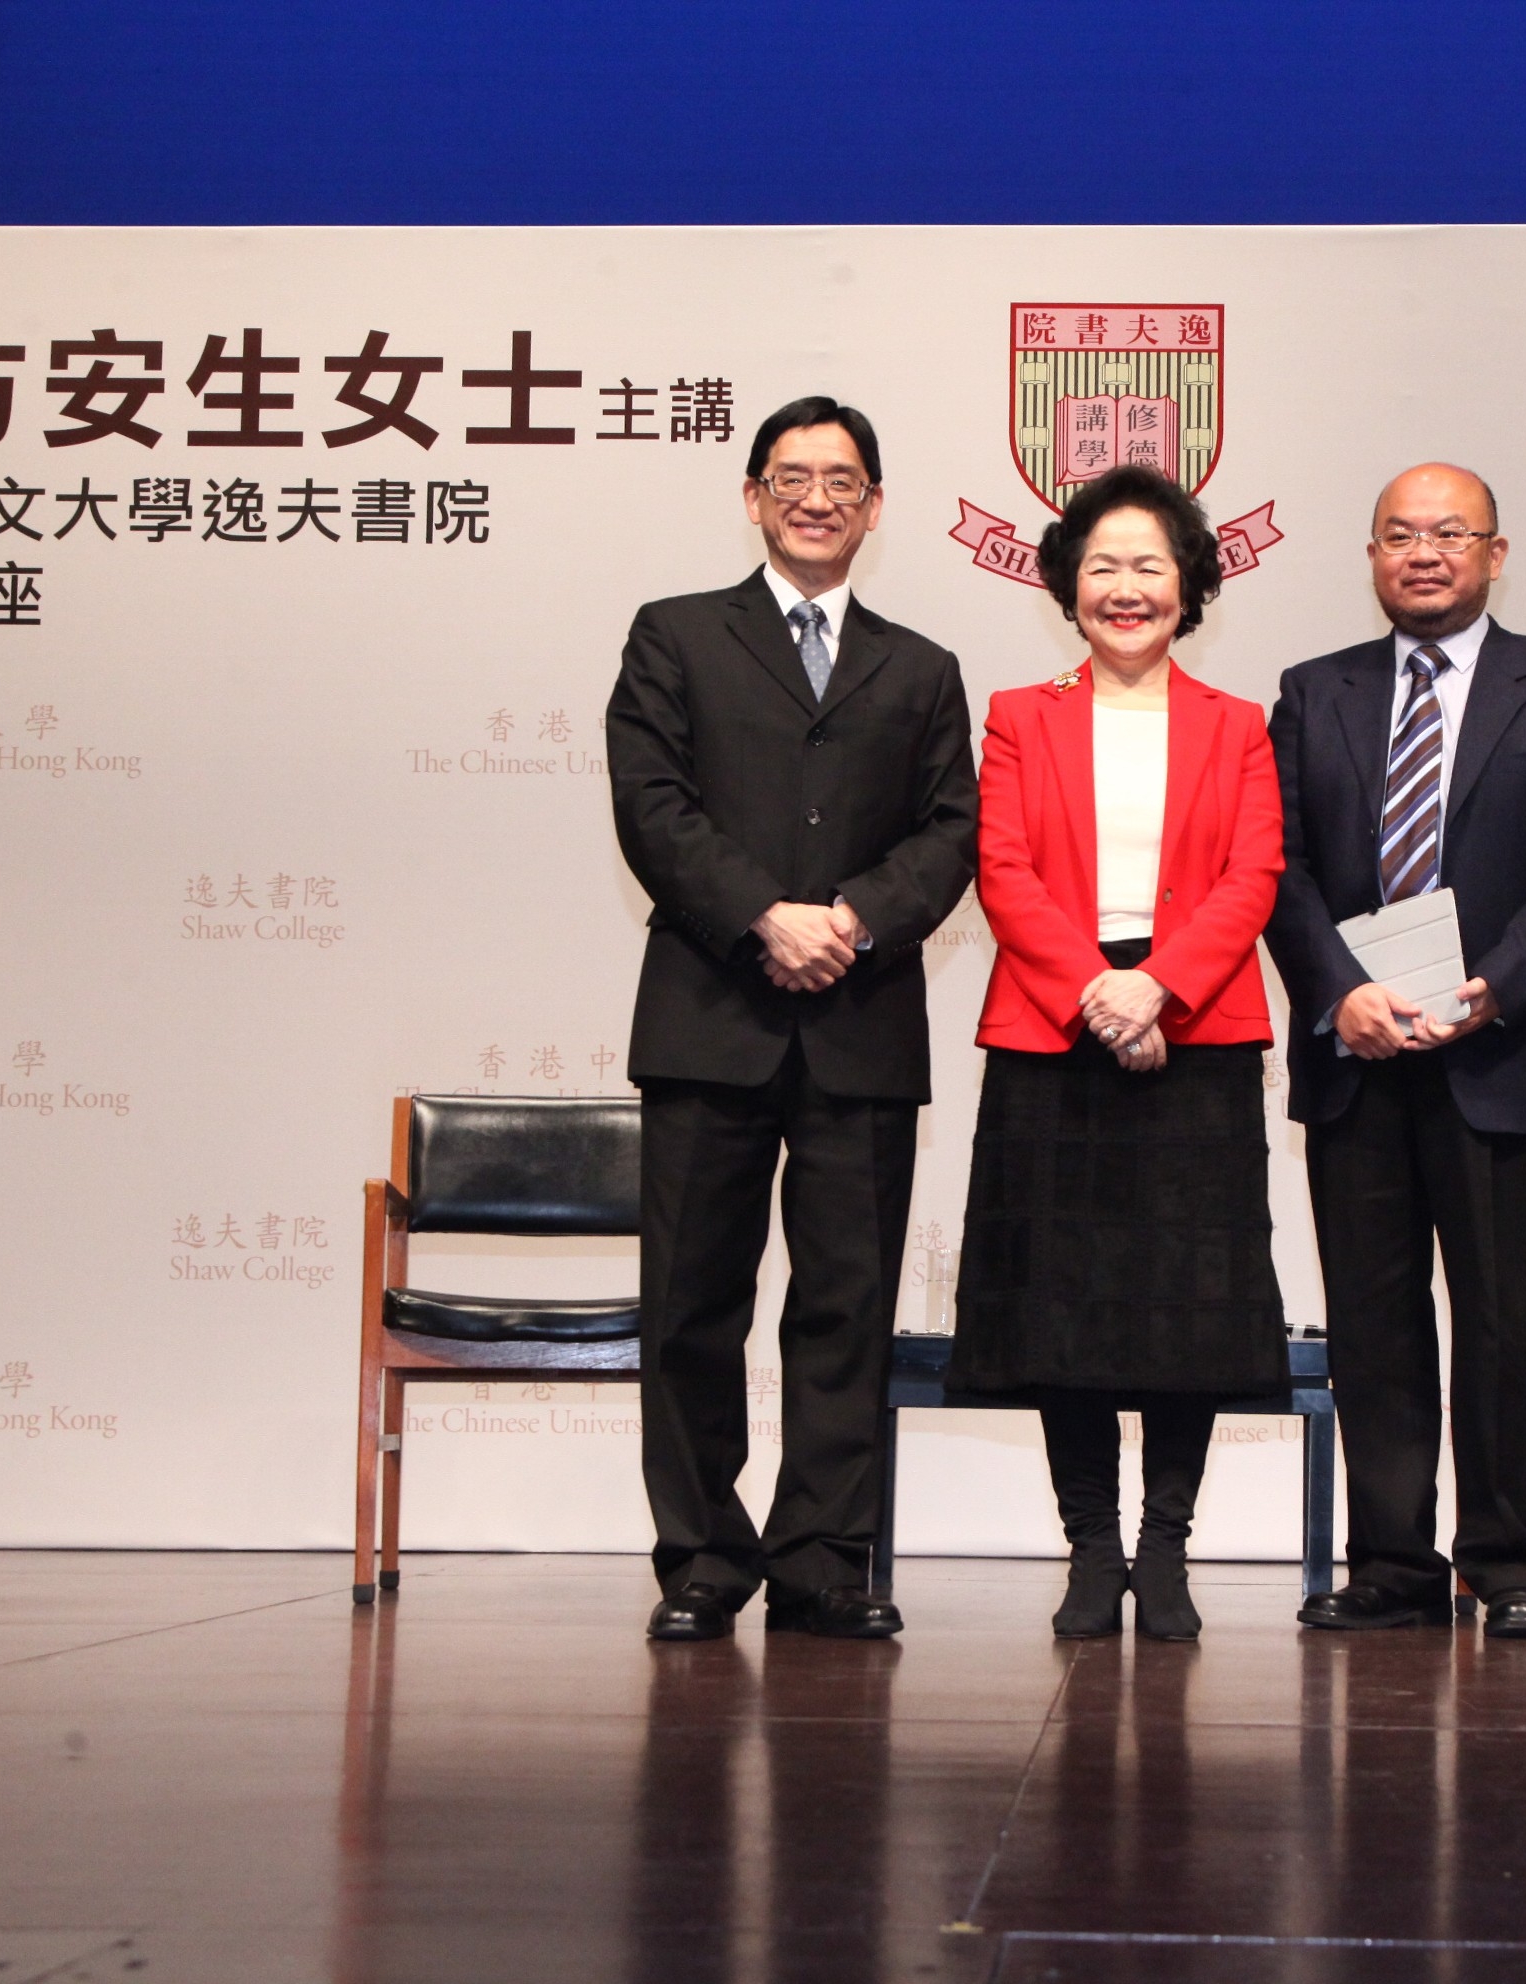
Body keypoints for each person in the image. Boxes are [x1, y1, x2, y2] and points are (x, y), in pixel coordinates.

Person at [604, 396, 979, 1643]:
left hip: (861, 1026)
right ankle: (704, 1554)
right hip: (711, 1015)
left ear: (875, 506)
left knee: (844, 1305)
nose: (818, 497)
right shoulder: (675, 636)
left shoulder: (920, 667)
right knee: (694, 1302)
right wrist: (765, 913)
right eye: (792, 476)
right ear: (753, 494)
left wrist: (854, 919)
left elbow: (950, 834)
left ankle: (822, 1557)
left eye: (843, 479)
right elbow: (653, 807)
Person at [1264, 464, 1526, 1640]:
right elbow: (1281, 869)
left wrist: (1498, 988)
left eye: (1450, 533)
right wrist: (1339, 992)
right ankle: (1393, 1567)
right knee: (1373, 1324)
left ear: (1496, 551)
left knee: (1508, 1321)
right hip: (1358, 1056)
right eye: (1399, 535)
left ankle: (1511, 1563)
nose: (1425, 553)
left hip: (1500, 1057)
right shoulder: (1311, 694)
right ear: (1371, 557)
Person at [946, 463, 1287, 1642]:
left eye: (1150, 565)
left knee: (1187, 1302)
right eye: (1104, 566)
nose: (1126, 587)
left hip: (1195, 1026)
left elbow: (1254, 876)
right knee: (1065, 1301)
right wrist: (1099, 991)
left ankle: (1167, 1544)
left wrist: (1160, 989)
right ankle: (1092, 1543)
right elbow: (1004, 871)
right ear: (1068, 585)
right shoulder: (1017, 715)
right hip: (1055, 1024)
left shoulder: (1240, 725)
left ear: (1189, 584)